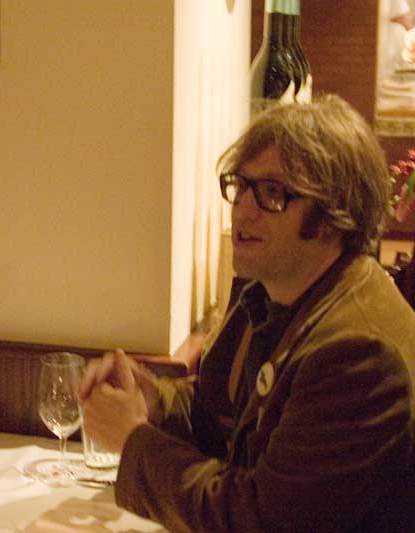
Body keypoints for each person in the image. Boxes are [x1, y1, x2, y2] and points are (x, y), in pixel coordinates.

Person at [80, 95, 415, 532]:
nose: (243, 208)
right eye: (241, 185)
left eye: (273, 193)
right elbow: (220, 412)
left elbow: (257, 519)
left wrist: (132, 440)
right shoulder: (270, 295)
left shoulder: (359, 353)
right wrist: (152, 401)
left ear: (335, 214)